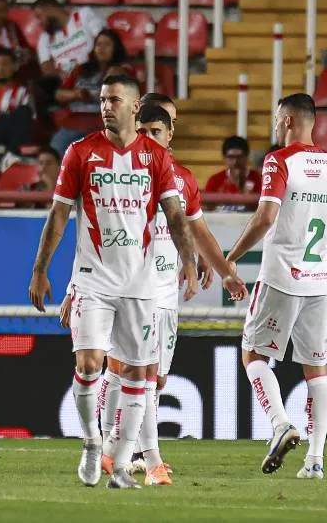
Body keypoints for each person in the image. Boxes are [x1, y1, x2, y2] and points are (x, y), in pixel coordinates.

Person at [28, 74, 199, 490]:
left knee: (141, 375)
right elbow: (59, 215)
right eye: (103, 99)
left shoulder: (154, 159)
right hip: (94, 279)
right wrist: (41, 269)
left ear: (135, 107)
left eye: (115, 100)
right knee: (89, 365)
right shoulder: (80, 153)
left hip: (140, 284)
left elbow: (176, 216)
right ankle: (91, 441)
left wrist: (190, 262)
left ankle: (120, 465)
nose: (106, 106)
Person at [92, 102, 247, 485]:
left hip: (166, 294)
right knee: (136, 373)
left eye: (156, 132)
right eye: (142, 132)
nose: (148, 139)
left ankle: (112, 449)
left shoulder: (183, 179)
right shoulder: (122, 175)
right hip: (134, 291)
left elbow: (195, 230)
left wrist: (216, 269)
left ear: (170, 134)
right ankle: (149, 459)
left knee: (153, 380)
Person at [226, 93, 327, 480]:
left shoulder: (279, 160)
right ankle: (315, 460)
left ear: (290, 121)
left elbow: (266, 217)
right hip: (321, 280)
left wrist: (231, 256)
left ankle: (280, 424)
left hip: (281, 276)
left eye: (279, 120)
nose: (276, 127)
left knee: (253, 355)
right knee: (317, 369)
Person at [51, 29, 131, 153]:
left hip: (101, 125)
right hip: (73, 123)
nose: (101, 49)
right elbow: (59, 94)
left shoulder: (122, 69)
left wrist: (81, 94)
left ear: (116, 48)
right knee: (55, 151)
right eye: (98, 45)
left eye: (107, 45)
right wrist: (78, 94)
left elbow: (108, 93)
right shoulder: (82, 69)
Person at [31, 0, 105, 123]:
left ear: (49, 9)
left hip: (91, 70)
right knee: (38, 86)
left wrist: (81, 67)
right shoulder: (45, 38)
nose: (39, 23)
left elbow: (103, 40)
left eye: (39, 16)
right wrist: (61, 74)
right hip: (66, 80)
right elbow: (46, 67)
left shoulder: (83, 15)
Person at [204, 135, 263, 211]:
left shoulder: (258, 178)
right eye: (231, 157)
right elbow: (208, 208)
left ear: (247, 157)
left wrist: (244, 193)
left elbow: (263, 208)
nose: (235, 161)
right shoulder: (215, 180)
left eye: (239, 157)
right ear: (224, 158)